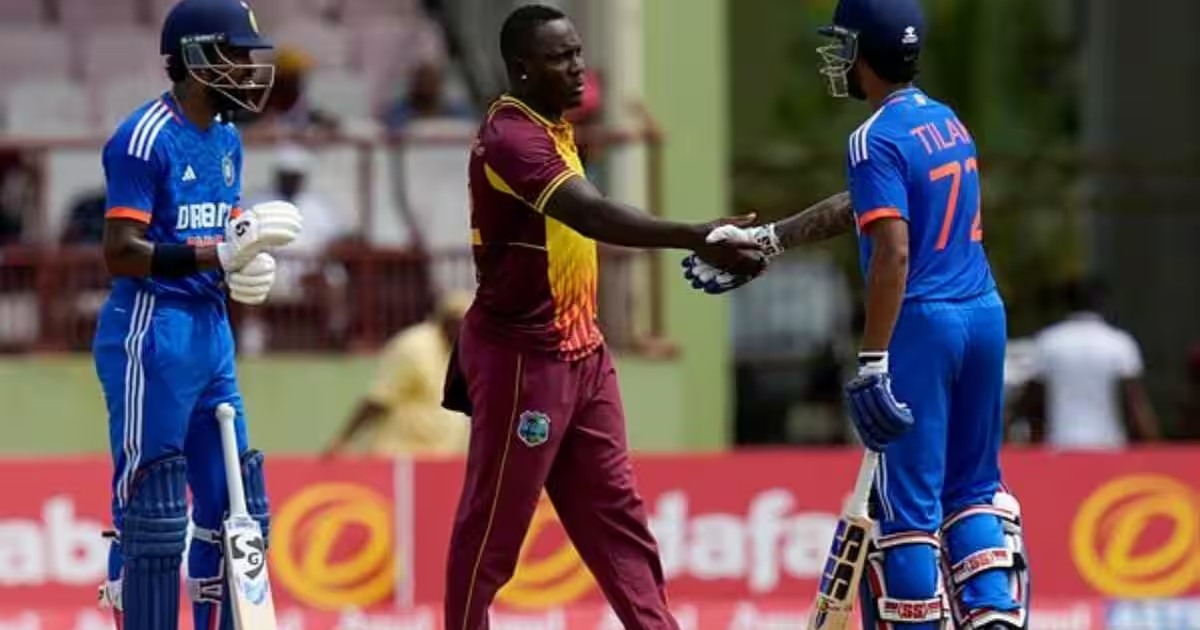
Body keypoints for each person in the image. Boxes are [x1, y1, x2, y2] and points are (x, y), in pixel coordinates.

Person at [682, 0, 1031, 627]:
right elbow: (865, 203)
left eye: (842, 45)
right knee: (975, 488)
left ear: (862, 54)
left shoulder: (872, 138)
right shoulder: (945, 121)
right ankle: (994, 614)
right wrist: (770, 239)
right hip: (983, 315)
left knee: (907, 508)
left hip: (922, 324)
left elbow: (892, 251)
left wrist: (873, 360)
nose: (836, 59)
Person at [438, 5, 765, 629]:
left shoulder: (553, 126)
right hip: (524, 359)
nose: (577, 67)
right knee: (493, 530)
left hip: (582, 352)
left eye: (578, 53)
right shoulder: (511, 138)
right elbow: (590, 215)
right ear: (522, 70)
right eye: (560, 57)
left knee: (619, 520)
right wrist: (695, 235)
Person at [91, 1, 303, 629]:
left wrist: (240, 268)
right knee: (153, 508)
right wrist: (221, 253)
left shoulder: (228, 139)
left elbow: (221, 237)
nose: (248, 70)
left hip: (211, 332)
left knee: (236, 501)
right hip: (151, 331)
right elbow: (121, 252)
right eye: (235, 55)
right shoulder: (143, 137)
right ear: (196, 56)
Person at [1014, 277, 1159, 448]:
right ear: (1102, 303)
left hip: (1059, 444)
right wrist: (1152, 446)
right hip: (1109, 445)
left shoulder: (1048, 342)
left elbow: (1032, 402)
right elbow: (1135, 403)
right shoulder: (1120, 343)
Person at [323, 291, 472, 458]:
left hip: (439, 460)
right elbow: (379, 400)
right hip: (401, 458)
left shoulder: (463, 353)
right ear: (447, 321)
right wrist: (343, 440)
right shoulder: (415, 348)